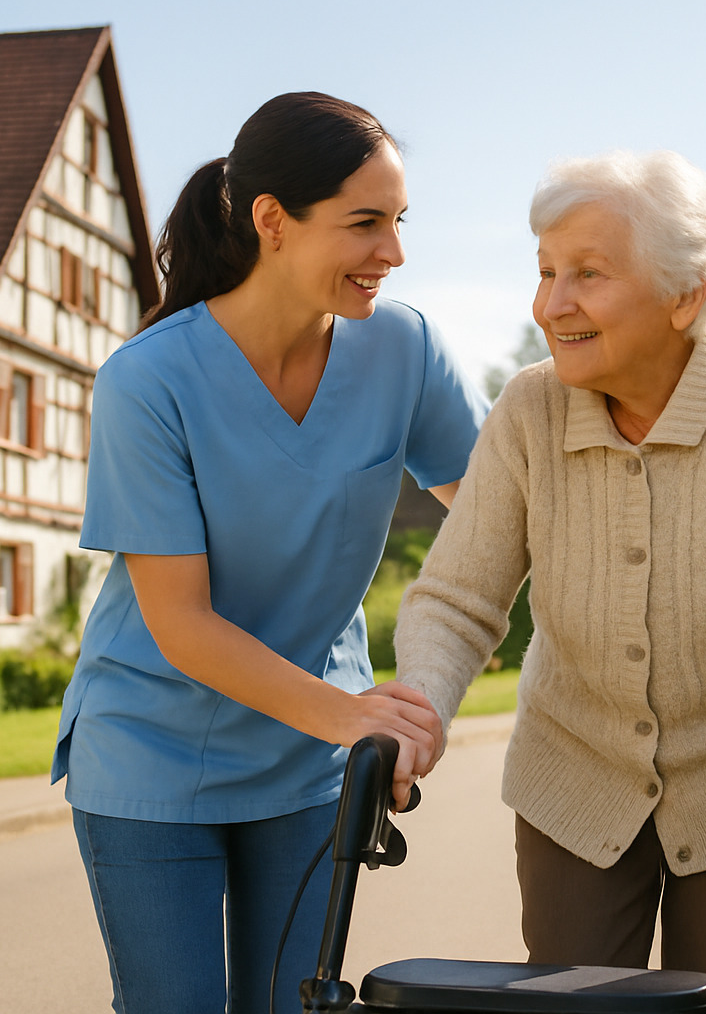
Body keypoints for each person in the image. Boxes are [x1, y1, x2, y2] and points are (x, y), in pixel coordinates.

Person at [393, 149, 706, 1014]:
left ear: (684, 296)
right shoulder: (528, 409)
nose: (553, 304)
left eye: (586, 273)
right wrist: (419, 706)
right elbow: (457, 598)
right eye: (546, 272)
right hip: (574, 779)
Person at [50, 92, 487, 1014]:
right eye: (364, 224)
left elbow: (504, 515)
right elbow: (184, 626)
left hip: (307, 760)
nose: (394, 254)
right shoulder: (149, 381)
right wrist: (353, 719)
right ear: (272, 222)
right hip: (151, 757)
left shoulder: (401, 350)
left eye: (399, 222)